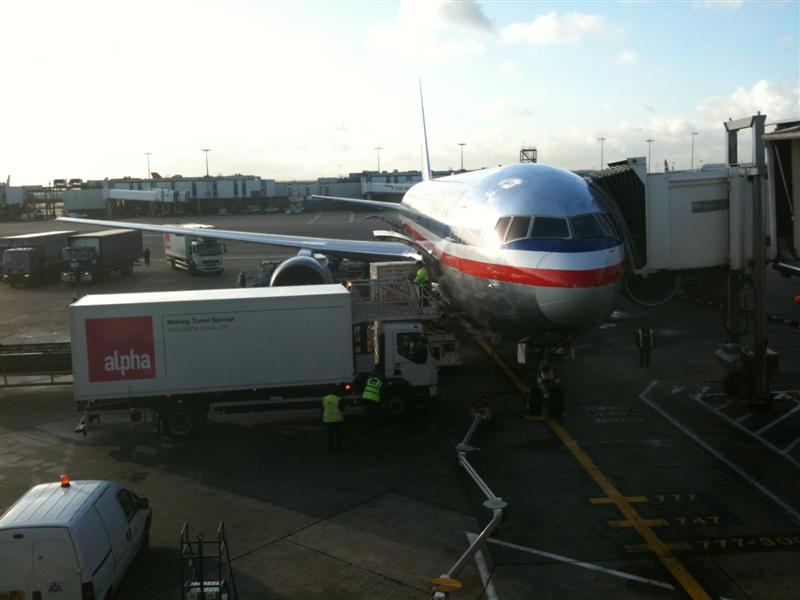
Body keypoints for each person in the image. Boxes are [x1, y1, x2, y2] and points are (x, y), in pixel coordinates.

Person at [322, 386, 344, 453]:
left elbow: (323, 408)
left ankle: (330, 450)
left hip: (328, 420)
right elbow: (342, 409)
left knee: (330, 436)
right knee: (338, 436)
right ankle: (339, 449)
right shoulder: (338, 399)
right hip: (337, 420)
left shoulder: (324, 398)